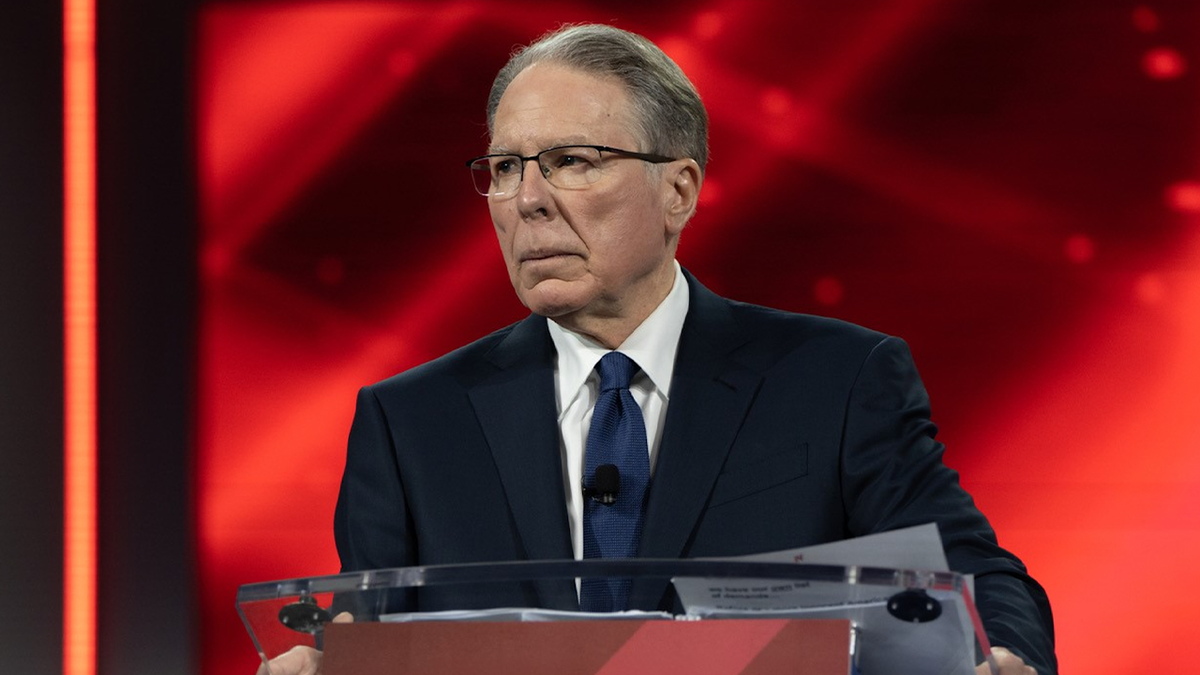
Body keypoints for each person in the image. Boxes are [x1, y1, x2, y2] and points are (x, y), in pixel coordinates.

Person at [261, 23, 1055, 675]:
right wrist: (324, 663)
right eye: (505, 168)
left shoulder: (837, 381)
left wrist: (1008, 655)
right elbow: (370, 642)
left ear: (678, 189)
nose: (528, 199)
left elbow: (976, 578)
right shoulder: (411, 421)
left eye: (571, 161)